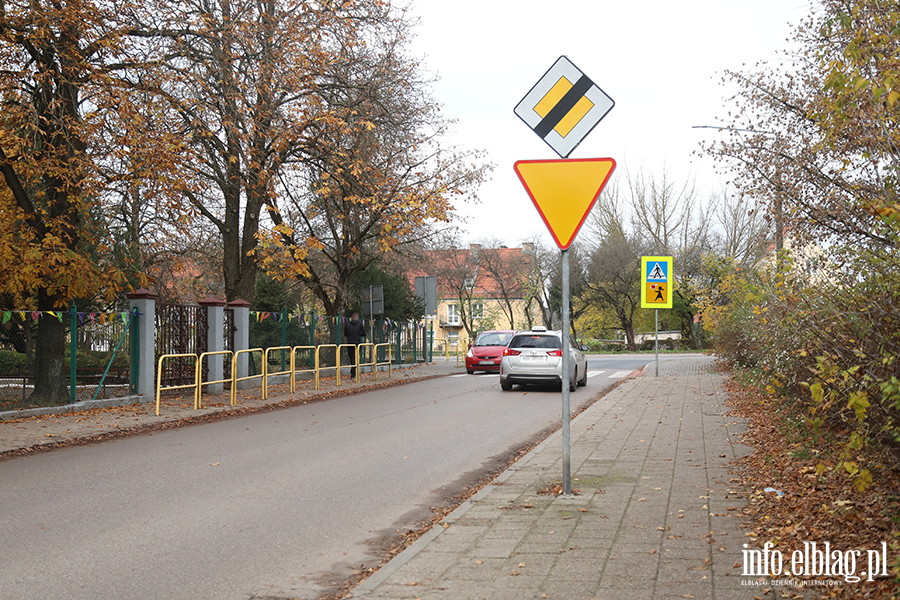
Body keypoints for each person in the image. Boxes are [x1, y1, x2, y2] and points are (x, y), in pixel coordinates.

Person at [343, 312, 366, 379]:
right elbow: (364, 333)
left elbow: (345, 334)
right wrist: (359, 334)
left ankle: (353, 372)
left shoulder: (347, 325)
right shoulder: (360, 324)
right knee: (355, 358)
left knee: (351, 357)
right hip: (357, 343)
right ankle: (353, 373)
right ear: (357, 318)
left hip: (350, 343)